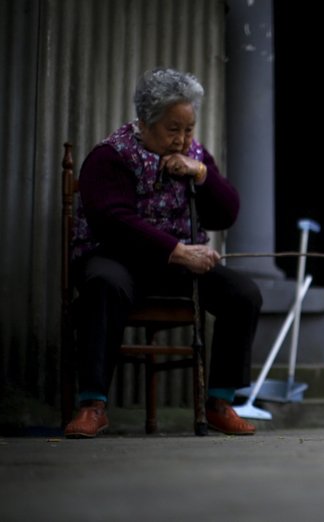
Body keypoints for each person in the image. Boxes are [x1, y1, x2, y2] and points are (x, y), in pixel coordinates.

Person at [65, 67, 262, 438]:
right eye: (173, 129)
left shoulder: (194, 155)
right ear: (144, 122)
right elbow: (114, 222)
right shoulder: (111, 156)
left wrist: (202, 174)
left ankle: (220, 402)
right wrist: (177, 251)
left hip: (173, 265)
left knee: (243, 294)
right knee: (104, 283)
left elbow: (226, 214)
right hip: (115, 257)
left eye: (189, 129)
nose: (182, 140)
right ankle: (92, 404)